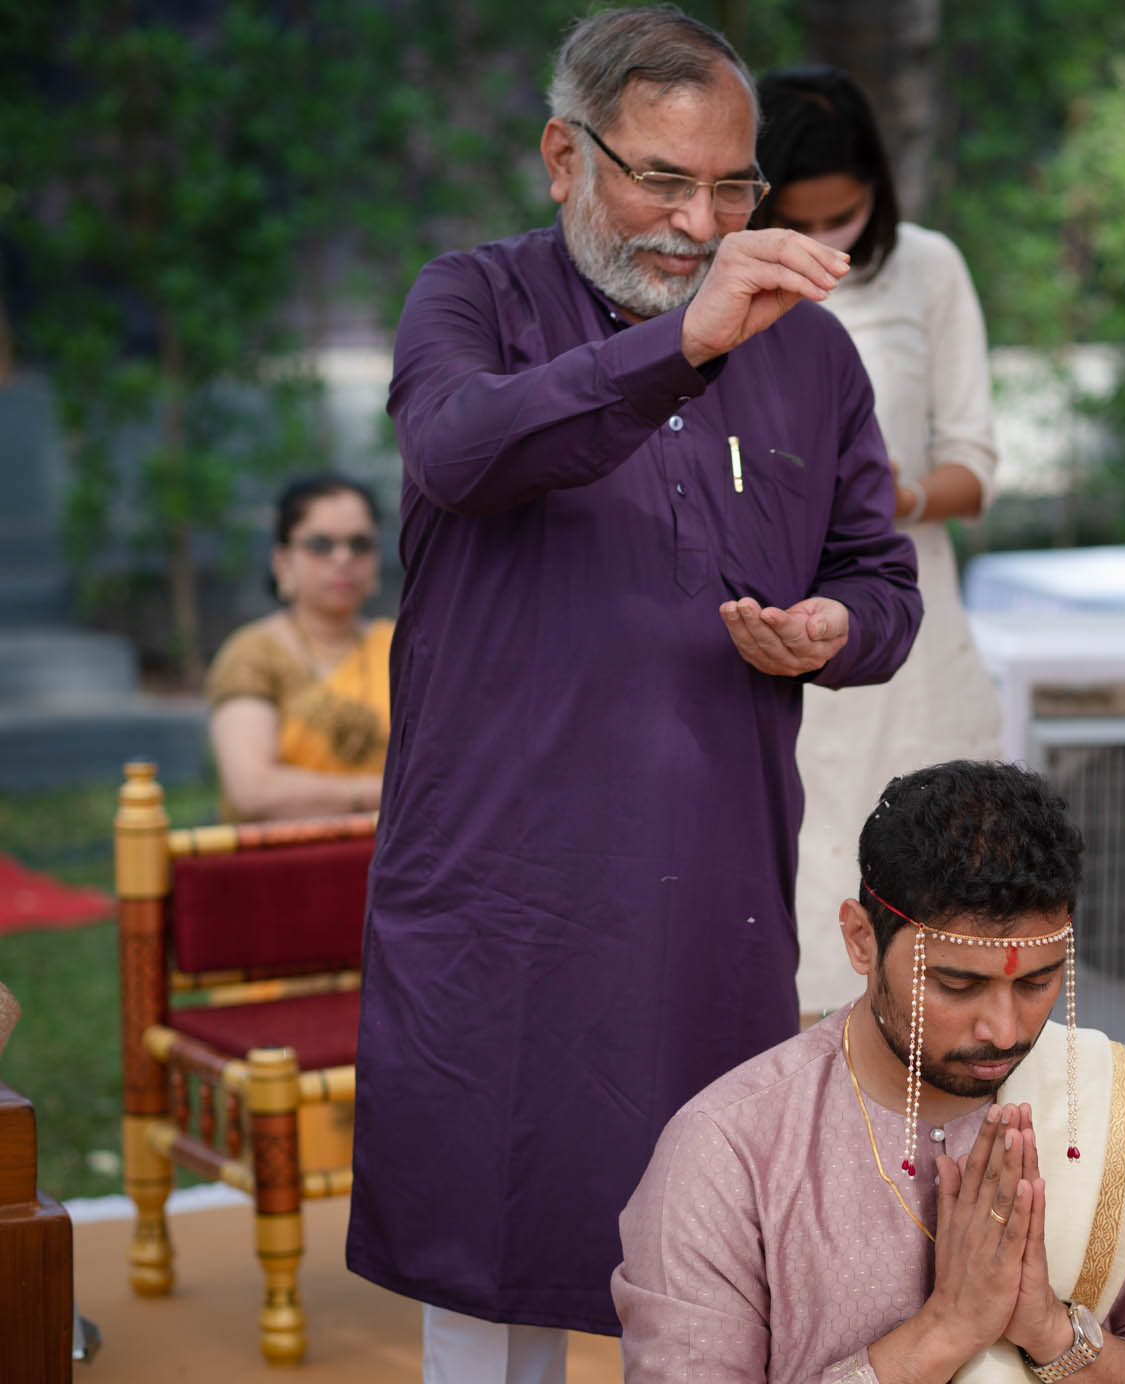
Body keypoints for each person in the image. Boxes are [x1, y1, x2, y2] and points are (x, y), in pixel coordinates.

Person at [344, 9, 923, 1380]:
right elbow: (460, 450)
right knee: (491, 1254)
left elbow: (882, 580)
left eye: (732, 187)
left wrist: (833, 625)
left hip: (707, 886)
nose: (698, 224)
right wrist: (684, 345)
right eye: (661, 180)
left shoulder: (809, 350)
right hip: (503, 886)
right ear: (563, 156)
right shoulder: (471, 300)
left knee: (709, 1251)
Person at [614, 759, 1125, 1382]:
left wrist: (1055, 1336)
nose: (1004, 1030)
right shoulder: (729, 1152)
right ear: (861, 939)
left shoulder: (1119, 1105)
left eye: (1037, 982)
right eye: (957, 985)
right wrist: (944, 1331)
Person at [750, 67, 1006, 1022]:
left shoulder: (928, 269)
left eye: (845, 219)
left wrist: (895, 496)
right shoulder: (721, 283)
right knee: (788, 929)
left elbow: (975, 467)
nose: (824, 242)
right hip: (773, 632)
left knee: (936, 922)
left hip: (902, 638)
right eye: (799, 222)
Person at [204, 474, 391, 822]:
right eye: (320, 545)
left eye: (360, 544)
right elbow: (252, 790)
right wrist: (389, 794)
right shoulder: (253, 654)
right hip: (284, 851)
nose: (343, 558)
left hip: (395, 848)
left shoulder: (402, 647)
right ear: (282, 562)